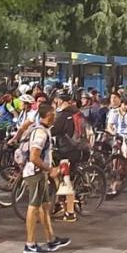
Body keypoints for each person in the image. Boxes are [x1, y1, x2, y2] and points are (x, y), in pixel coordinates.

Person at [20, 103, 71, 253]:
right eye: (54, 113)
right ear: (49, 115)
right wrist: (50, 170)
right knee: (33, 207)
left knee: (44, 206)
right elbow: (34, 156)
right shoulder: (41, 133)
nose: (56, 116)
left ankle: (50, 239)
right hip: (35, 173)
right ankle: (30, 244)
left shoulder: (44, 130)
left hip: (40, 173)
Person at [49, 91, 81, 219]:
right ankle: (59, 204)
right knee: (58, 176)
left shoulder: (63, 115)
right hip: (75, 148)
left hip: (67, 150)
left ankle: (70, 212)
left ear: (60, 101)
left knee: (65, 179)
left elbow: (54, 130)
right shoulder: (76, 112)